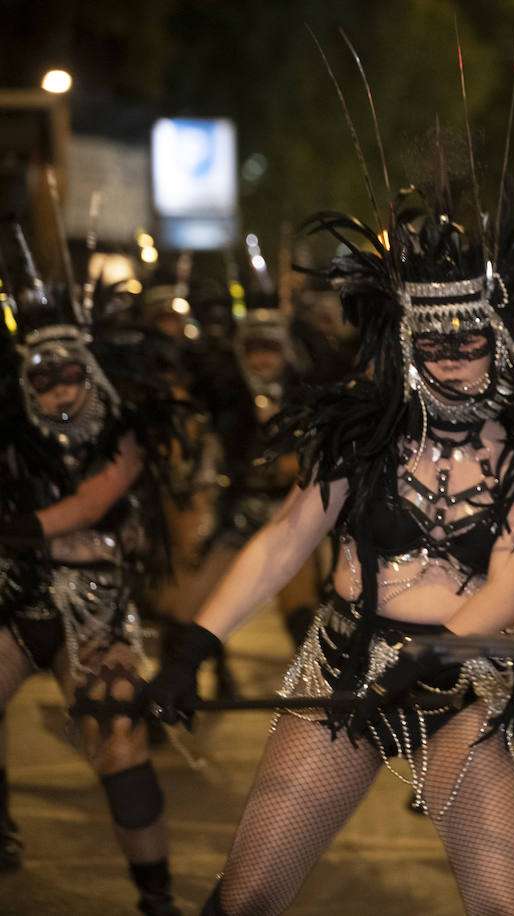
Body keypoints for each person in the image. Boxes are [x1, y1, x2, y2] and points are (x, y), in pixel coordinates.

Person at [144, 183, 514, 915]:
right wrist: (194, 642)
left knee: (506, 905)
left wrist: (426, 663)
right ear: (405, 341)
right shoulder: (359, 438)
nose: (456, 359)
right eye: (436, 342)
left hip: (463, 682)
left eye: (472, 340)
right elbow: (282, 542)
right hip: (345, 663)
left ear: (500, 338)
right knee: (246, 896)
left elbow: (510, 590)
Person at [0, 241, 184, 916]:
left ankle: (157, 899)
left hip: (97, 618)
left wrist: (31, 531)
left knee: (118, 745)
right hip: (18, 606)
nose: (57, 390)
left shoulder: (124, 431)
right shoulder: (12, 436)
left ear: (91, 371)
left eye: (68, 374)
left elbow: (96, 505)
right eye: (42, 378)